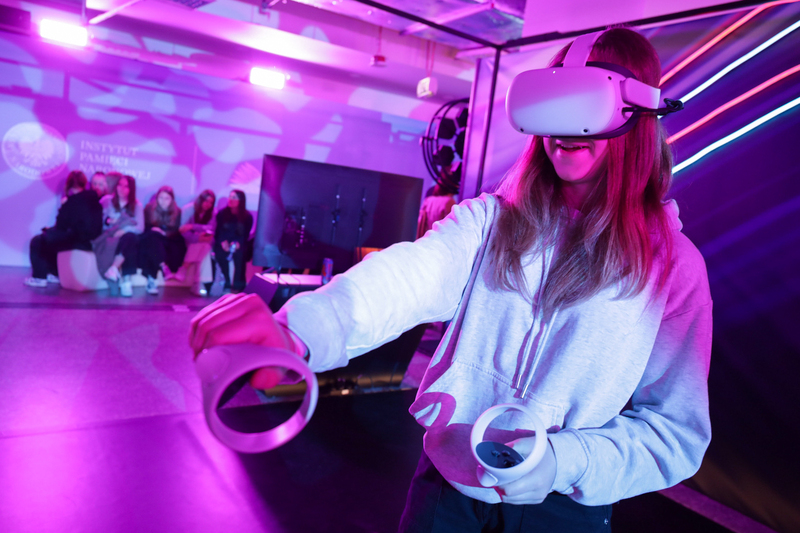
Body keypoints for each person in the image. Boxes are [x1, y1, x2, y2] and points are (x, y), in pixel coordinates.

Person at [189, 28, 712, 532]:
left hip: (562, 509)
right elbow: (407, 277)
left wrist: (564, 461)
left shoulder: (672, 268)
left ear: (638, 113)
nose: (562, 128)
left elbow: (674, 431)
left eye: (585, 104)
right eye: (551, 103)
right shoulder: (493, 221)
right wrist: (299, 331)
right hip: (448, 490)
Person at [25, 170, 103, 287]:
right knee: (51, 239)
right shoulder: (94, 201)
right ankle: (55, 274)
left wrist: (49, 229)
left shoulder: (72, 201)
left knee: (38, 241)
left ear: (69, 185)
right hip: (89, 240)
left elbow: (62, 225)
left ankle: (39, 277)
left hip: (79, 241)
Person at [92, 175, 143, 297]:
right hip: (109, 237)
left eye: (126, 186)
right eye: (120, 185)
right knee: (129, 242)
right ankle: (126, 281)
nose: (121, 189)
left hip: (126, 238)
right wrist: (109, 221)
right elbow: (98, 220)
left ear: (131, 189)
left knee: (130, 238)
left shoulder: (136, 205)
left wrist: (124, 230)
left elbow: (140, 227)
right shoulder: (106, 201)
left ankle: (115, 270)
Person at [138, 185, 187, 295]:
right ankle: (162, 267)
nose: (163, 201)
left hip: (169, 238)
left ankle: (158, 273)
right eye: (161, 197)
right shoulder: (149, 208)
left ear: (172, 199)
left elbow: (177, 230)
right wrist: (156, 231)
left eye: (167, 198)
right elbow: (145, 227)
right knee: (153, 241)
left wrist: (164, 233)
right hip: (152, 237)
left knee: (176, 243)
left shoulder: (177, 211)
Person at [212, 189, 253, 293]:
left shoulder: (247, 216)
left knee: (240, 255)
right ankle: (227, 281)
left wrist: (237, 243)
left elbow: (245, 235)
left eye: (234, 197)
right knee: (220, 254)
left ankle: (238, 286)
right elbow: (218, 232)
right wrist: (222, 241)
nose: (231, 199)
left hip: (239, 244)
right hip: (223, 243)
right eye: (230, 197)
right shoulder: (222, 214)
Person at [180, 189, 216, 296]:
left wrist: (192, 226)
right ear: (201, 200)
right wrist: (197, 238)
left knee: (205, 246)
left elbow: (211, 228)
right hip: (189, 241)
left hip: (206, 241)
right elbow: (182, 230)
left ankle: (184, 267)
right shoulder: (189, 209)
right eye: (206, 201)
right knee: (203, 247)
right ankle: (199, 283)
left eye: (211, 202)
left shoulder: (213, 212)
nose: (208, 204)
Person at [416, 174, 459, 240]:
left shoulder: (428, 200)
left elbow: (420, 225)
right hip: (439, 241)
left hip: (425, 240)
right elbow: (451, 229)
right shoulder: (449, 202)